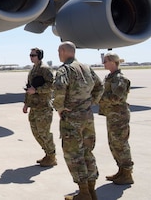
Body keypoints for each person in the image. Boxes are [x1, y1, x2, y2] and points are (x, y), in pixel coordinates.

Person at [53, 41, 103, 200]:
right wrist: (91, 102)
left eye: (58, 51)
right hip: (87, 116)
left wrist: (59, 107)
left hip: (72, 118)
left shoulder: (65, 69)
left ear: (62, 51)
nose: (58, 54)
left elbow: (60, 89)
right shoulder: (87, 68)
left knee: (74, 154)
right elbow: (100, 86)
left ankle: (83, 193)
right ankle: (91, 191)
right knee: (88, 152)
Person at [99, 52, 134, 185]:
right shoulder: (110, 77)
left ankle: (127, 173)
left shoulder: (120, 79)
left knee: (121, 144)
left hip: (119, 116)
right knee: (114, 144)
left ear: (113, 62)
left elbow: (117, 97)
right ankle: (121, 170)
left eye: (106, 61)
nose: (104, 63)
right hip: (112, 115)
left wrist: (99, 99)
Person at [22, 47, 56, 167]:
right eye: (30, 55)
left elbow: (52, 85)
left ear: (40, 56)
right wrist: (26, 103)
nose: (31, 57)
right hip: (34, 106)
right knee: (36, 132)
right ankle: (48, 154)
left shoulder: (45, 69)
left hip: (43, 107)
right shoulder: (32, 70)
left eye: (33, 55)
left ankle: (52, 156)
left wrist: (37, 90)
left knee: (44, 132)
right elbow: (29, 87)